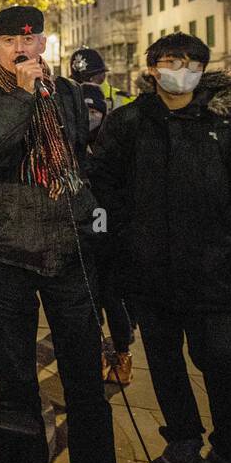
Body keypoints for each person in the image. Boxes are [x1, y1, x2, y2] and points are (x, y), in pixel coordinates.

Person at [0, 6, 138, 463]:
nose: (24, 49)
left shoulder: (62, 94)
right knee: (17, 380)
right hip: (6, 253)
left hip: (67, 249)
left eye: (32, 41)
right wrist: (16, 94)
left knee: (85, 378)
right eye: (12, 40)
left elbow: (78, 155)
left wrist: (85, 211)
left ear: (44, 46)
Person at [89, 34, 231, 463]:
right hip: (149, 269)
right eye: (174, 61)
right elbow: (101, 181)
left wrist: (230, 236)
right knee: (164, 358)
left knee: (222, 359)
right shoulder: (129, 121)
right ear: (154, 68)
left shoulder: (228, 122)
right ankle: (181, 438)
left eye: (193, 61)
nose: (183, 68)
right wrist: (128, 234)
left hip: (214, 268)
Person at [80, 83, 133, 386]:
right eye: (85, 111)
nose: (90, 116)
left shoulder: (115, 144)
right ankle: (98, 351)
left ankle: (122, 354)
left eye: (94, 111)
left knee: (112, 299)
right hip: (85, 235)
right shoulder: (72, 143)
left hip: (111, 235)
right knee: (90, 300)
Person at [69, 47, 131, 112]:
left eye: (88, 80)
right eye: (78, 82)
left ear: (102, 76)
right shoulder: (68, 101)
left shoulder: (122, 101)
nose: (82, 86)